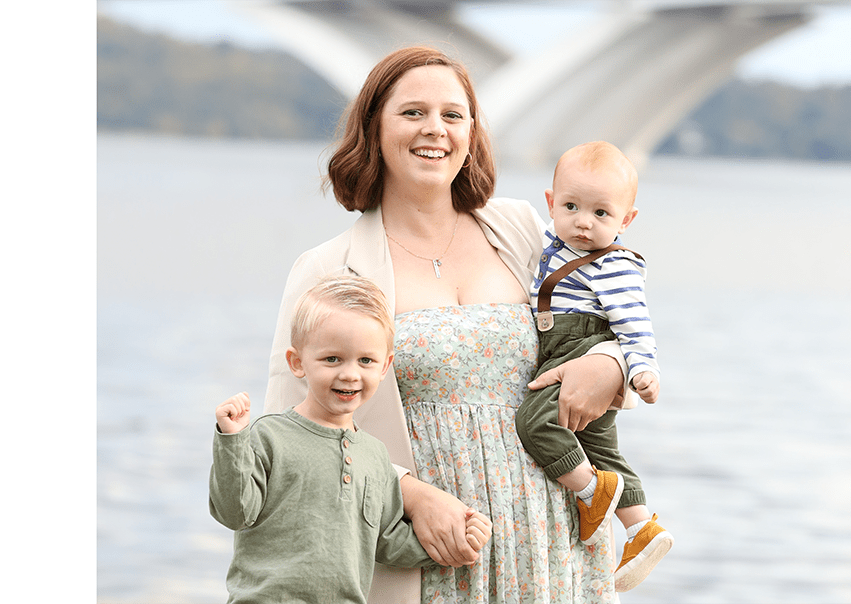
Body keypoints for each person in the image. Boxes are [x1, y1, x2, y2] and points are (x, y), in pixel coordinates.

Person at [263, 46, 638, 603]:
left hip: (556, 544)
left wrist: (611, 365)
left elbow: (613, 317)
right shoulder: (327, 269)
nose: (434, 129)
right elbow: (288, 442)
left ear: (471, 133)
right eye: (412, 112)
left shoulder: (522, 230)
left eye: (452, 115)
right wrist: (411, 495)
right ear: (374, 128)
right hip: (431, 550)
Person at [210, 275, 492, 603]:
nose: (349, 373)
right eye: (332, 359)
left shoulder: (375, 456)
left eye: (365, 360)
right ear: (297, 363)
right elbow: (234, 512)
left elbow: (387, 540)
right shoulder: (269, 435)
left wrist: (459, 541)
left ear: (385, 366)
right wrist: (232, 440)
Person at [515, 141, 673, 593]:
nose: (584, 222)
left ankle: (590, 493)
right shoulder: (550, 239)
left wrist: (643, 370)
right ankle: (642, 529)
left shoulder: (614, 267)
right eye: (571, 207)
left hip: (582, 348)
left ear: (626, 220)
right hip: (565, 347)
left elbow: (635, 324)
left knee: (536, 421)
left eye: (602, 214)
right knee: (601, 449)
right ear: (551, 204)